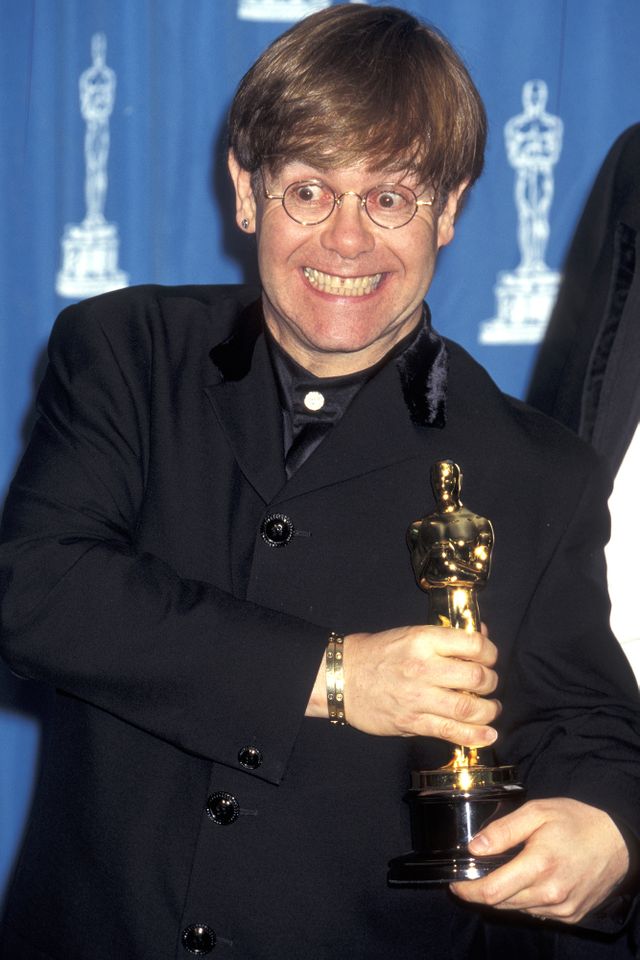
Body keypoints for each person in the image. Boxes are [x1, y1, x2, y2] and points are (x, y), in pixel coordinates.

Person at [0, 6, 638, 959]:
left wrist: (610, 834)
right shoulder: (125, 353)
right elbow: (38, 589)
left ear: (452, 209)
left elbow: (590, 725)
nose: (348, 241)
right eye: (310, 191)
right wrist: (337, 675)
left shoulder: (539, 469)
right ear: (246, 191)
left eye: (392, 198)